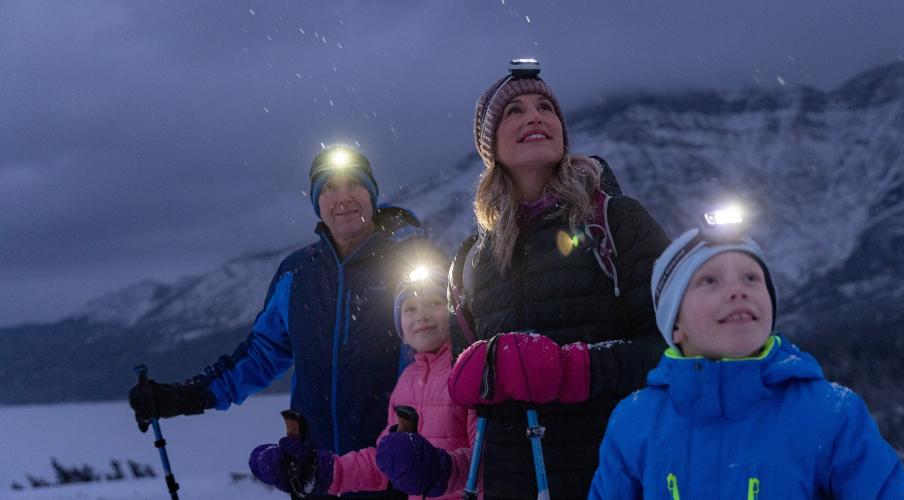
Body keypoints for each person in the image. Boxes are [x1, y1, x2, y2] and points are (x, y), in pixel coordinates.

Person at [128, 146, 444, 478]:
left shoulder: (410, 264)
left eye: (354, 184)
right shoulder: (297, 274)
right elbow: (260, 356)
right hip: (316, 469)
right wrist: (184, 397)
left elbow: (443, 353)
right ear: (317, 202)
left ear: (372, 193)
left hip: (394, 469)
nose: (343, 197)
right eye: (330, 188)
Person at [446, 59, 671, 499]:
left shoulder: (616, 221)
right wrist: (471, 380)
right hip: (513, 480)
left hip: (616, 474)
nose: (534, 115)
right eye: (514, 111)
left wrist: (574, 370)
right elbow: (470, 388)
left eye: (546, 107)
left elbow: (675, 350)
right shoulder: (472, 258)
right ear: (490, 147)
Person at [588, 210, 904, 499]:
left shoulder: (832, 413)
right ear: (675, 326)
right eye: (710, 281)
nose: (737, 290)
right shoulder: (634, 421)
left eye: (751, 278)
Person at [248, 267, 478, 498]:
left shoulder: (470, 372)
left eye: (435, 303)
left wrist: (442, 471)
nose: (422, 315)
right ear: (401, 332)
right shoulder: (407, 382)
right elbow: (385, 465)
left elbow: (491, 461)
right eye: (410, 308)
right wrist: (323, 472)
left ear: (454, 313)